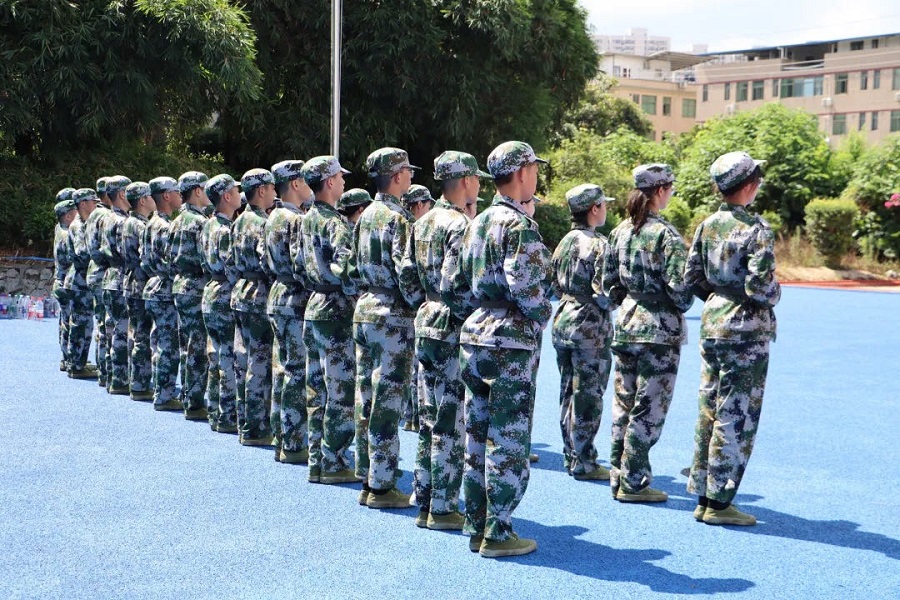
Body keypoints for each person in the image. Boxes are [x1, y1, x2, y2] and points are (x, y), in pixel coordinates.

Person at [453, 141, 551, 558]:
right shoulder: (518, 225)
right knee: (508, 437)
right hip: (510, 339)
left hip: (476, 332)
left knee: (476, 433)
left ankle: (477, 523)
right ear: (522, 172)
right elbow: (529, 289)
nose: (536, 176)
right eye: (534, 169)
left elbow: (456, 283)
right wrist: (542, 314)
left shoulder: (476, 222)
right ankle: (498, 530)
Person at [685, 151, 780, 527]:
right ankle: (720, 502)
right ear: (750, 185)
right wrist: (775, 294)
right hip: (745, 330)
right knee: (736, 414)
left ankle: (704, 496)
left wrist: (718, 297)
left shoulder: (707, 225)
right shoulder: (756, 228)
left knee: (710, 408)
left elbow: (693, 276)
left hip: (714, 322)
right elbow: (761, 286)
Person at [408, 151, 491, 530]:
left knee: (429, 416)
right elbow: (457, 284)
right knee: (449, 420)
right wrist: (471, 316)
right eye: (476, 179)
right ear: (467, 181)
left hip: (426, 319)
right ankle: (442, 507)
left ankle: (425, 496)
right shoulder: (459, 225)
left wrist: (426, 305)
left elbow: (407, 276)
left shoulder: (423, 221)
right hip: (450, 326)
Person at [602, 164, 693, 504]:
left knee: (624, 404)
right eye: (670, 188)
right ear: (660, 191)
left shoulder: (619, 232)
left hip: (627, 323)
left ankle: (618, 474)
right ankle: (634, 481)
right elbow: (681, 291)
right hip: (658, 330)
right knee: (649, 408)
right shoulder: (665, 235)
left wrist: (628, 301)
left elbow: (608, 283)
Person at [348, 147, 424, 509]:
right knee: (388, 401)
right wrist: (419, 304)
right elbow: (406, 271)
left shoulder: (365, 215)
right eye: (407, 171)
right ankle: (381, 486)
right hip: (392, 314)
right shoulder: (398, 218)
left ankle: (368, 476)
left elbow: (351, 269)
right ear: (396, 177)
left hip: (365, 308)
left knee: (366, 397)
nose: (410, 176)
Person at [295, 156, 361, 484]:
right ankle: (334, 463)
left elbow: (297, 265)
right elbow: (347, 268)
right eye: (340, 176)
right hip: (336, 309)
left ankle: (317, 460)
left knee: (316, 389)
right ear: (330, 181)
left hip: (314, 305)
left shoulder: (305, 219)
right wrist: (356, 291)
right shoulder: (334, 223)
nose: (344, 181)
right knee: (340, 390)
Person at [551, 183, 615, 481]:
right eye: (604, 205)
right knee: (588, 394)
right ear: (594, 208)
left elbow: (554, 286)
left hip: (564, 319)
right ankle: (584, 461)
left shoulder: (564, 242)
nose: (606, 209)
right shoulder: (598, 244)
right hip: (589, 326)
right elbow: (605, 292)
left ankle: (571, 454)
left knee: (568, 391)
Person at [264, 160, 312, 463]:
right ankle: (294, 443)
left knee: (282, 369)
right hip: (294, 297)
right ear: (295, 183)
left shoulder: (272, 217)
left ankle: (281, 437)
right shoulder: (295, 220)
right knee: (296, 371)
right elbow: (301, 264)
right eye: (305, 180)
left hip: (278, 294)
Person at [231, 168, 277, 446]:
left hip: (241, 292)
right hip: (259, 294)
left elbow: (230, 261)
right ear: (261, 190)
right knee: (259, 364)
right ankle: (257, 428)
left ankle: (244, 422)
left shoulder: (237, 222)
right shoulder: (262, 223)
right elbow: (268, 263)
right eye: (271, 188)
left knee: (243, 360)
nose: (274, 192)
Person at [200, 174, 242, 433]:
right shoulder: (226, 230)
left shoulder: (207, 226)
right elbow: (232, 267)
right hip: (225, 292)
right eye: (235, 191)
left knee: (215, 355)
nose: (239, 194)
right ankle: (227, 415)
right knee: (227, 357)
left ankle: (215, 410)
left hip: (211, 291)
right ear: (226, 196)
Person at [168, 171, 212, 421]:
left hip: (180, 284)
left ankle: (188, 396)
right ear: (197, 191)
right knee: (197, 348)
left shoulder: (176, 220)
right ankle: (194, 403)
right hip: (196, 286)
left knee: (187, 345)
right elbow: (207, 259)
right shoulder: (200, 222)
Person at [143, 177, 183, 412]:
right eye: (176, 191)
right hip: (165, 289)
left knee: (158, 343)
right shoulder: (165, 226)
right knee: (168, 346)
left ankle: (160, 390)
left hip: (153, 285)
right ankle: (164, 396)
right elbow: (172, 261)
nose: (180, 195)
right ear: (167, 196)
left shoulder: (151, 223)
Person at [399, 183, 434, 432]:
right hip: (411, 305)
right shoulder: (412, 227)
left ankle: (411, 416)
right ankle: (413, 416)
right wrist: (418, 301)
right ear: (420, 204)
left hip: (410, 303)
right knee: (414, 365)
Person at [121, 182, 155, 401]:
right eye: (150, 197)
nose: (154, 200)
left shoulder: (128, 222)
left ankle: (135, 380)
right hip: (140, 283)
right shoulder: (141, 226)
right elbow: (146, 258)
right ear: (143, 200)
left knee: (135, 334)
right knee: (142, 336)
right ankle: (140, 385)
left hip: (131, 281)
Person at [100, 175, 133, 395]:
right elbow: (126, 253)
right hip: (120, 276)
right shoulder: (121, 221)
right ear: (122, 194)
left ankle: (109, 375)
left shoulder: (106, 217)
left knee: (111, 329)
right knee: (121, 332)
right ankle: (119, 380)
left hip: (110, 276)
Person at [64, 188, 100, 379]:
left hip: (81, 280)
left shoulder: (85, 223)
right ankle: (76, 365)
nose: (96, 205)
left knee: (83, 324)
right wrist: (100, 254)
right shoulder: (78, 225)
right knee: (80, 325)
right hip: (79, 281)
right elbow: (82, 253)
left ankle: (77, 362)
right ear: (84, 204)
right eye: (93, 202)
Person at [84, 177, 111, 387]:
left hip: (94, 271)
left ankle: (103, 369)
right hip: (103, 272)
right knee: (107, 325)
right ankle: (107, 371)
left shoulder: (94, 214)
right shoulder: (106, 216)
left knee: (101, 325)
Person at [52, 189, 77, 372]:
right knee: (70, 322)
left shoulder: (59, 227)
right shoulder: (67, 234)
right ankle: (71, 359)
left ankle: (66, 357)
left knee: (64, 321)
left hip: (60, 280)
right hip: (67, 282)